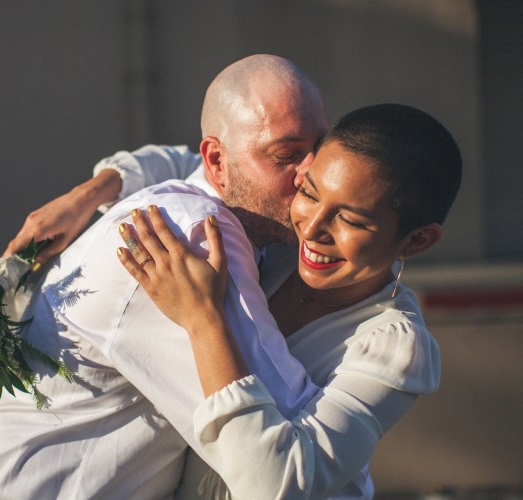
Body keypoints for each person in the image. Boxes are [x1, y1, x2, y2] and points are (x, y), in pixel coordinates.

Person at [0, 54, 355, 498]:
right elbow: (285, 452)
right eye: (286, 156)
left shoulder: (223, 191)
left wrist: (94, 188)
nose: (314, 174)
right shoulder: (186, 240)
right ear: (218, 162)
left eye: (321, 147)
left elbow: (179, 159)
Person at [115, 103, 462, 499]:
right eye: (308, 193)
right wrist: (99, 187)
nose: (311, 229)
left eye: (350, 220)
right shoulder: (274, 247)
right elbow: (194, 160)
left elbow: (277, 486)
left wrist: (204, 321)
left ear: (417, 240)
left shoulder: (394, 346)